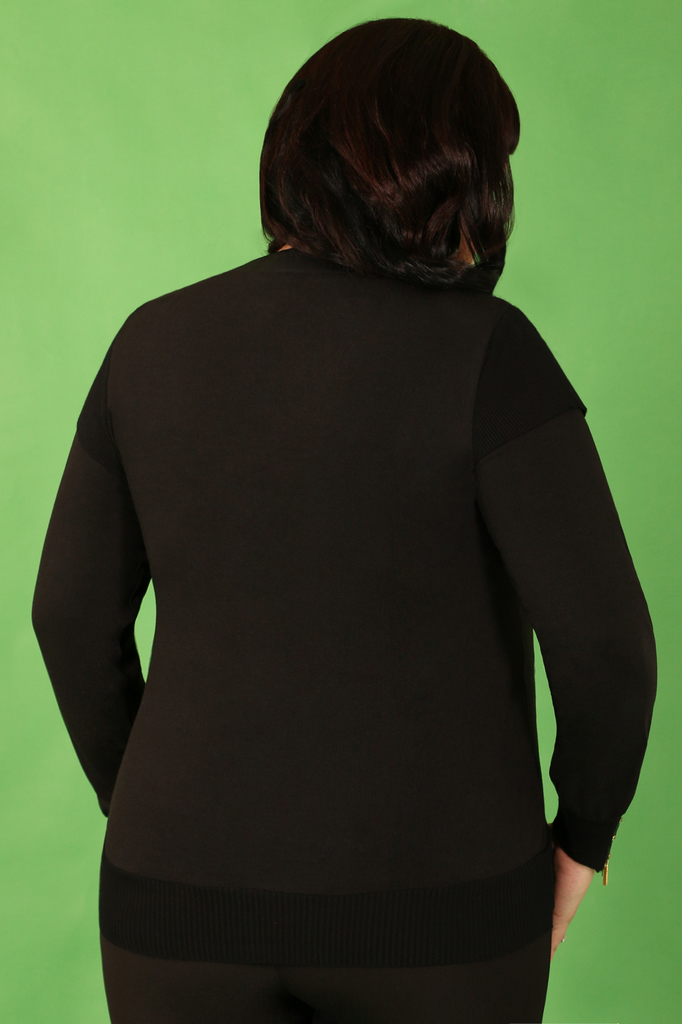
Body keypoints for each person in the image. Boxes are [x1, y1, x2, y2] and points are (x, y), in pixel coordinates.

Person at [31, 16, 657, 1024]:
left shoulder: (148, 344)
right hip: (443, 922)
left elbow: (67, 614)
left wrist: (148, 811)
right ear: (452, 177)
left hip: (173, 909)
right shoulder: (490, 353)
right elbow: (607, 648)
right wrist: (584, 836)